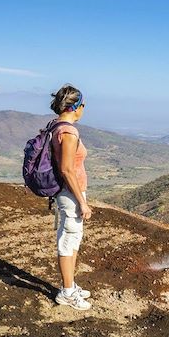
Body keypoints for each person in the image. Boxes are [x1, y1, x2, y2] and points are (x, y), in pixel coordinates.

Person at [50, 84, 92, 310]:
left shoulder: (57, 126)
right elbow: (67, 169)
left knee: (72, 238)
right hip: (70, 193)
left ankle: (70, 285)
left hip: (67, 192)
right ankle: (66, 292)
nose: (84, 109)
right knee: (68, 240)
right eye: (83, 104)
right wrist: (82, 202)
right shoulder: (68, 131)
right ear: (76, 106)